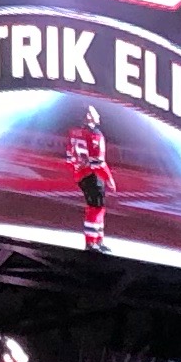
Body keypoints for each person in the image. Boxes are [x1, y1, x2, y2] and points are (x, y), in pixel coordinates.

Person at [66, 103, 112, 253]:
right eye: (95, 112)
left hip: (81, 174)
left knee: (97, 208)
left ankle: (97, 241)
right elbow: (98, 161)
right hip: (93, 174)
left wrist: (78, 168)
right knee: (96, 209)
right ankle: (92, 243)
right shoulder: (94, 134)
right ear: (88, 117)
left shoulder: (73, 132)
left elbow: (69, 157)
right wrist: (109, 178)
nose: (98, 115)